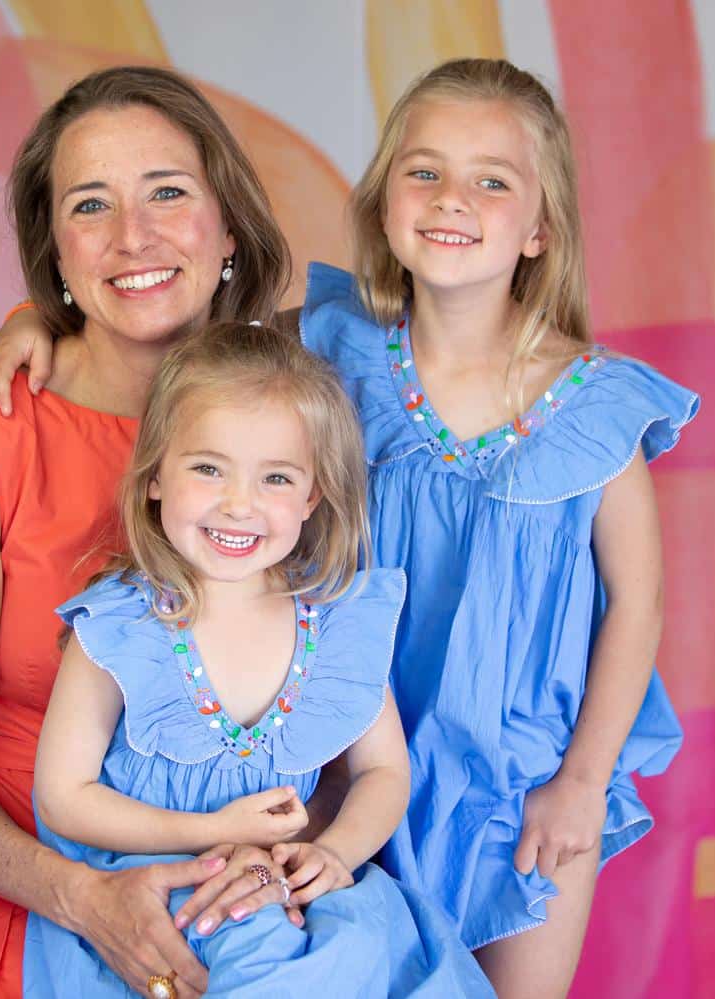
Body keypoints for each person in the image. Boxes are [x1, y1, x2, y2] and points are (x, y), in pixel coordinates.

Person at [0, 57, 699, 999]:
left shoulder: (597, 407)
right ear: (384, 200)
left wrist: (584, 778)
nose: (451, 198)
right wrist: (38, 323)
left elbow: (639, 599)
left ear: (543, 224)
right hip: (337, 760)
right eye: (423, 172)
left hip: (514, 772)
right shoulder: (330, 347)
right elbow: (189, 343)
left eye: (492, 180)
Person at [0, 66, 300, 999]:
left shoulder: (294, 407)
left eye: (168, 191)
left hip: (236, 895)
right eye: (91, 206)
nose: (134, 238)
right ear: (57, 253)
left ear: (229, 224)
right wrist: (91, 899)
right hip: (37, 902)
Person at [26, 321, 495, 997]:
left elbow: (384, 770)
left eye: (275, 477)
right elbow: (63, 797)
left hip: (290, 890)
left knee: (373, 953)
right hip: (156, 895)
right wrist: (212, 831)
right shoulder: (120, 625)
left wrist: (334, 854)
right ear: (156, 472)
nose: (239, 504)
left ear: (312, 495)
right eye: (208, 468)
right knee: (256, 949)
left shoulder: (336, 621)